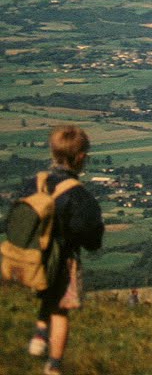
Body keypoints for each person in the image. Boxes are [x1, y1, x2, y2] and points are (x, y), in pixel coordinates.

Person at [24, 124, 104, 375]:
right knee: (61, 309)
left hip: (33, 254)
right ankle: (55, 366)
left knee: (47, 292)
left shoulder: (35, 182)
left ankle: (39, 333)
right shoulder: (79, 195)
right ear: (81, 158)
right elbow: (91, 236)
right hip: (64, 257)